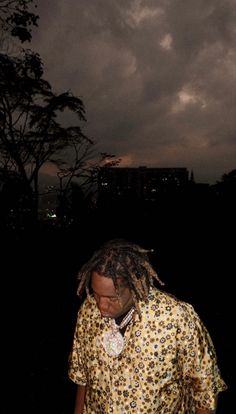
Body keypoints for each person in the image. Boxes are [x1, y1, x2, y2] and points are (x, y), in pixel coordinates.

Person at [68, 238, 227, 414]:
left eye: (112, 298)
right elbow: (82, 376)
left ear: (136, 284)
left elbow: (205, 387)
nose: (101, 305)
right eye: (97, 294)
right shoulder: (88, 311)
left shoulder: (175, 318)